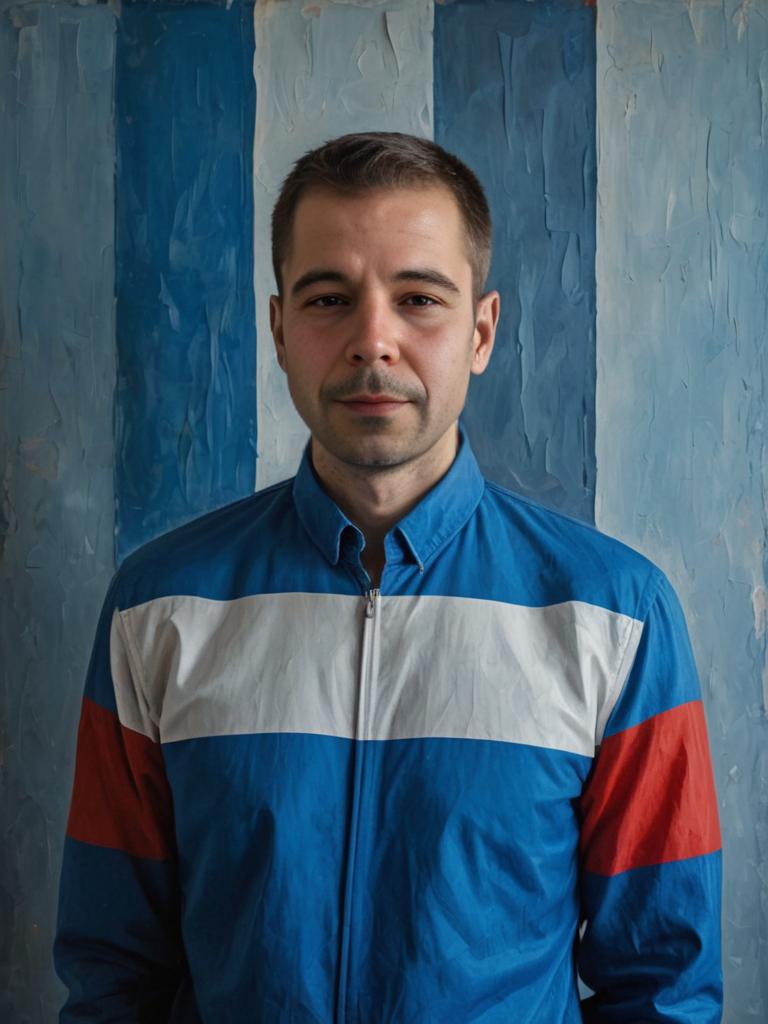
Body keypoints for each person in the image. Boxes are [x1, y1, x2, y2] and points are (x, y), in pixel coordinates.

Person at [54, 132, 723, 1022]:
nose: (375, 340)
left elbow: (665, 989)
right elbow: (111, 977)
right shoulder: (160, 608)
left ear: (481, 332)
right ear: (280, 328)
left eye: (419, 299)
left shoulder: (615, 618)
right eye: (330, 297)